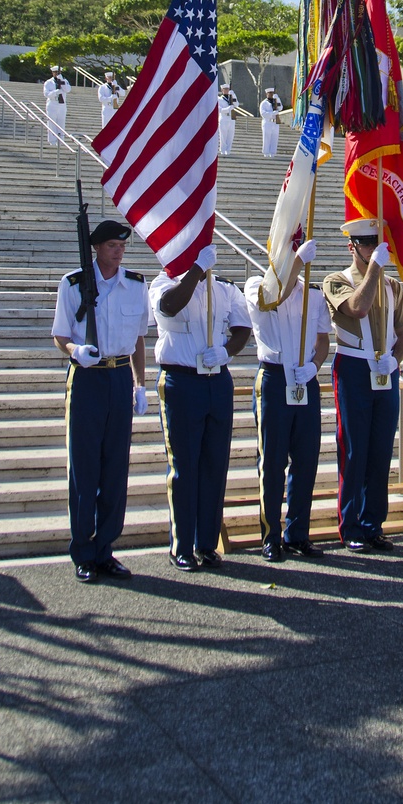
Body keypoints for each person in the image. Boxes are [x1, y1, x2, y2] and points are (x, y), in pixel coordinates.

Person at [52, 219, 149, 583]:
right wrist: (75, 349)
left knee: (114, 469)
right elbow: (60, 334)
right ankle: (83, 549)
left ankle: (106, 548)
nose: (119, 252)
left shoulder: (135, 285)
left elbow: (139, 338)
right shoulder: (73, 284)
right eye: (112, 246)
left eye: (122, 247)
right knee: (84, 466)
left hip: (119, 375)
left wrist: (140, 384)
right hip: (87, 377)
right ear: (96, 248)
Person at [150, 243, 253, 571]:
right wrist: (195, 270)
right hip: (181, 381)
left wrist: (226, 352)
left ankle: (207, 544)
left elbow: (243, 328)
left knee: (214, 465)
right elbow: (168, 307)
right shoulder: (164, 283)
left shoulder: (224, 287)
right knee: (184, 467)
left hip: (216, 381)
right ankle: (182, 545)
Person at [322, 217, 403, 553]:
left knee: (380, 451)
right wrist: (374, 268)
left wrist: (395, 360)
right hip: (354, 368)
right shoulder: (337, 280)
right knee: (354, 449)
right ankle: (352, 525)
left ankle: (374, 522)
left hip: (384, 371)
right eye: (366, 244)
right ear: (353, 247)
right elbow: (357, 307)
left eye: (376, 243)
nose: (374, 249)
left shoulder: (392, 286)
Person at [244, 239, 331, 561]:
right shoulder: (257, 284)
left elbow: (323, 338)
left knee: (306, 461)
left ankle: (298, 533)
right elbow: (271, 298)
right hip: (274, 377)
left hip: (304, 379)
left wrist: (315, 365)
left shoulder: (314, 293)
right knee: (272, 461)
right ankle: (271, 535)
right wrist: (295, 263)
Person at [44, 65, 69, 146]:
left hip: (62, 104)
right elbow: (46, 94)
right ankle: (52, 141)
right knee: (52, 122)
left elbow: (68, 89)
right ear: (52, 73)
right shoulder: (49, 82)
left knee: (61, 122)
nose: (57, 74)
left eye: (58, 72)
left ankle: (61, 141)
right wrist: (56, 92)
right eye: (55, 72)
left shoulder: (64, 81)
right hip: (53, 103)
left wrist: (61, 81)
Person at [260, 87, 283, 158]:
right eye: (269, 93)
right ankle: (266, 153)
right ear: (267, 94)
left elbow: (280, 108)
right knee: (267, 138)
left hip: (275, 122)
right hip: (267, 122)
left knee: (274, 138)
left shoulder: (275, 101)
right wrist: (272, 113)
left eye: (272, 93)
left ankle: (273, 153)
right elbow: (263, 113)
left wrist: (278, 99)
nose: (271, 94)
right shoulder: (264, 103)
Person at [218, 83, 239, 156]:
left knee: (230, 135)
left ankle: (228, 150)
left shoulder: (231, 97)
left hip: (231, 117)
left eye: (228, 89)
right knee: (223, 135)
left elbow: (237, 104)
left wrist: (234, 95)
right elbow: (219, 109)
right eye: (225, 89)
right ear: (222, 90)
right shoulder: (219, 99)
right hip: (223, 117)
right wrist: (228, 109)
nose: (226, 91)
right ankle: (223, 150)